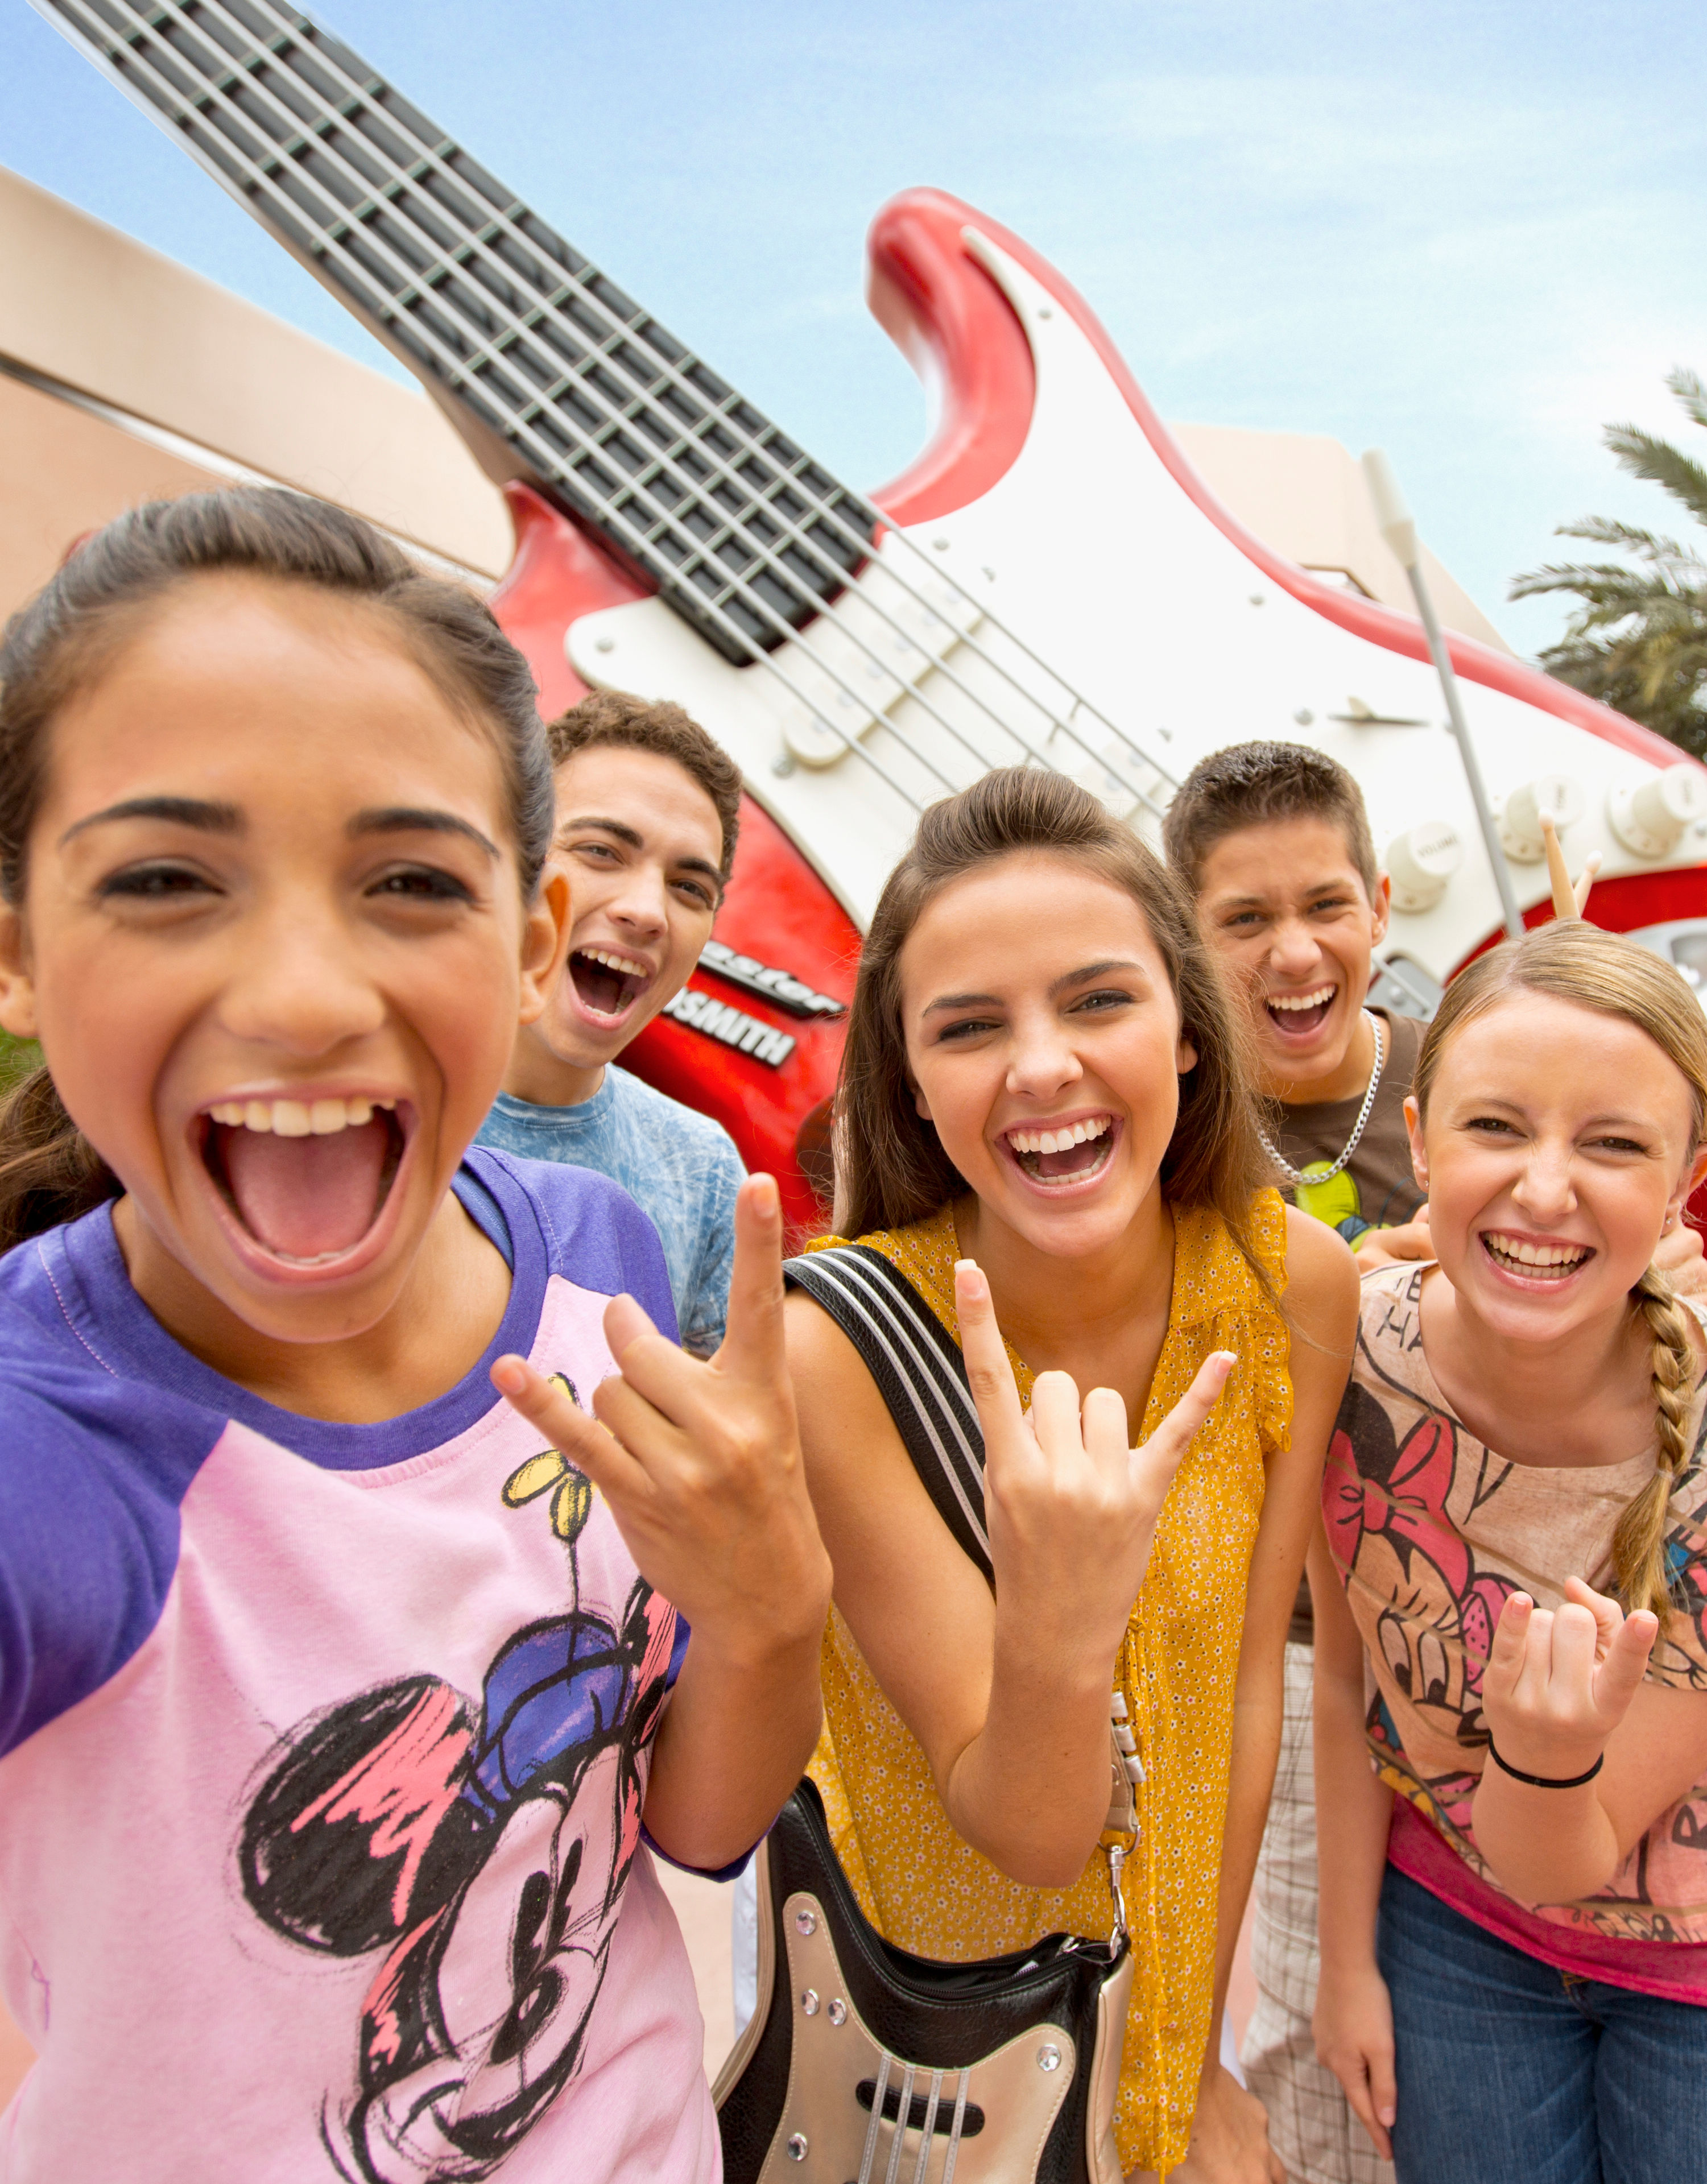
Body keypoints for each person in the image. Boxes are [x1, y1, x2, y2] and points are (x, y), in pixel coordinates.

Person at [0, 488, 830, 2182]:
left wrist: (765, 1604)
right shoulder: (42, 1453)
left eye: (405, 879)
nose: (305, 991)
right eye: (168, 877)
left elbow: (683, 1821)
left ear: (518, 944)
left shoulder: (601, 1249)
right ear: (18, 951)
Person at [783, 768, 1360, 2182]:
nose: (1038, 1065)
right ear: (910, 1086)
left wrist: (1193, 2057)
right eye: (969, 1027)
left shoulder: (1286, 1277)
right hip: (932, 2068)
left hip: (1152, 2035)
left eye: (1096, 1000)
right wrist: (1062, 1598)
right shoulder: (832, 1341)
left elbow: (1238, 1691)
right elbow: (1028, 1825)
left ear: (1183, 1032)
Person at [1311, 921, 1707, 2183]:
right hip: (1451, 1934)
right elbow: (1344, 1681)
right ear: (1419, 1141)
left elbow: (1563, 1858)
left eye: (1613, 1144)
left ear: (1684, 1179)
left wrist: (1544, 1760)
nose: (1545, 1189)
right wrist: (1343, 1965)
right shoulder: (1348, 1351)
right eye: (1497, 1129)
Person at [1165, 742, 1423, 2184]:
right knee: (1311, 2063)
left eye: (1323, 902)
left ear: (1378, 903)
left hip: (1481, 1656)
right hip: (1289, 1654)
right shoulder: (1166, 1139)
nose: (1292, 949)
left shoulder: (1469, 1085)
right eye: (1240, 918)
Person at [477, 690, 746, 1356]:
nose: (648, 910)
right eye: (601, 851)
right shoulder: (369, 1093)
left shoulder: (704, 1171)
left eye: (690, 888)